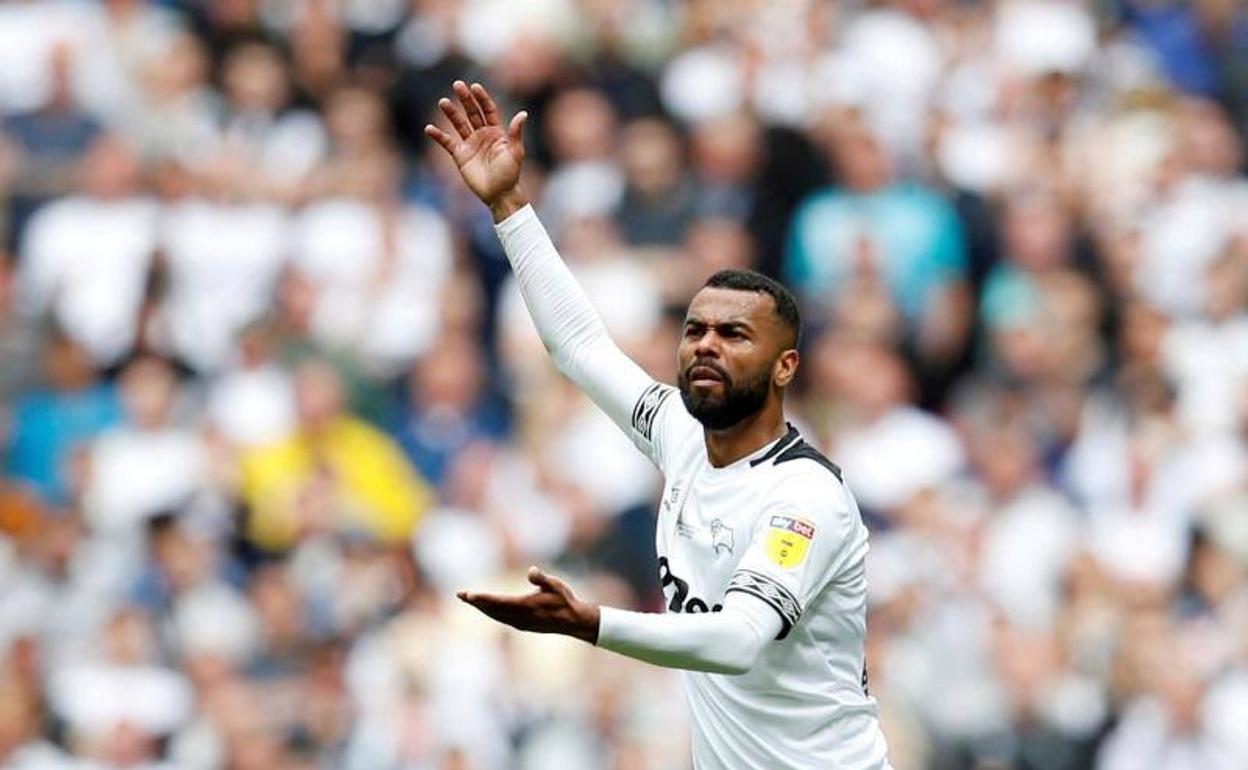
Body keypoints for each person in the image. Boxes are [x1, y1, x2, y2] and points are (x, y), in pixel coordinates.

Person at [427, 80, 892, 770]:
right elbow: (579, 348)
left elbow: (738, 640)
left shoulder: (805, 498)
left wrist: (592, 624)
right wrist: (508, 205)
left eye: (734, 334)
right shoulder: (678, 433)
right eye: (695, 329)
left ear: (786, 366)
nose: (706, 344)